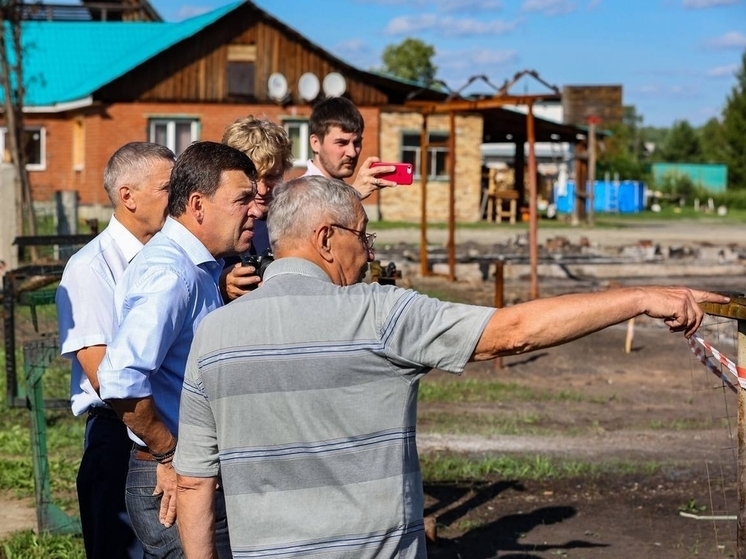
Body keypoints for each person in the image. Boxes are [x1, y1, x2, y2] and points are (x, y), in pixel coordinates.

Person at [174, 175, 728, 558]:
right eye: (362, 236)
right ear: (325, 238)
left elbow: (196, 483)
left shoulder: (214, 333)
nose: (367, 251)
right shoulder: (379, 314)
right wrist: (641, 298)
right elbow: (513, 332)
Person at [97, 141, 260, 558]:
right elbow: (118, 378)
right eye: (242, 199)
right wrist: (169, 454)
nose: (255, 211)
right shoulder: (172, 273)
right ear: (198, 204)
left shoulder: (199, 267)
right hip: (169, 480)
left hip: (189, 473)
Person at [56, 142, 175, 559]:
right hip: (123, 435)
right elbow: (104, 374)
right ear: (128, 196)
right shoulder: (91, 268)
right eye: (167, 188)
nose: (177, 199)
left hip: (166, 428)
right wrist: (163, 445)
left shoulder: (169, 259)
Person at [219, 115, 294, 300]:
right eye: (252, 178)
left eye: (271, 176)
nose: (261, 189)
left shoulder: (293, 221)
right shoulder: (210, 220)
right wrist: (219, 285)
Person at [304, 96, 398, 199]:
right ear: (315, 143)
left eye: (357, 142)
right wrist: (353, 196)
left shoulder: (340, 190)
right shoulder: (300, 194)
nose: (352, 152)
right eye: (341, 143)